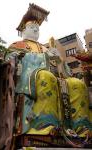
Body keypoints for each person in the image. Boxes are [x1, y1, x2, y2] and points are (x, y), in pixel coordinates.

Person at [8, 3, 92, 140]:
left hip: (56, 78)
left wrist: (58, 60)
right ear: (23, 30)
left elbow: (65, 71)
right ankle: (44, 122)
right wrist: (44, 58)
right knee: (46, 77)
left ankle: (81, 125)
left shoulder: (46, 48)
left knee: (77, 84)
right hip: (32, 78)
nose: (36, 30)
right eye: (32, 27)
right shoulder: (17, 45)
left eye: (37, 28)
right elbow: (12, 60)